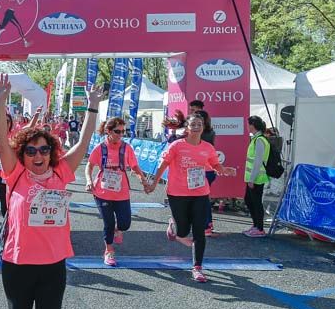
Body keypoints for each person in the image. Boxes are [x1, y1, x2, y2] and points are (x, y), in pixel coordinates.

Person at [0, 74, 105, 309]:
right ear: (21, 154)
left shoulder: (61, 172)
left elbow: (83, 142)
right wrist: (0, 99)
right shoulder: (15, 173)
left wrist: (93, 106)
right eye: (30, 150)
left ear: (50, 152)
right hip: (19, 262)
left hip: (54, 264)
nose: (37, 155)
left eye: (43, 150)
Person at [145, 113, 236, 283]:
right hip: (177, 193)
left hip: (200, 193)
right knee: (182, 231)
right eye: (193, 124)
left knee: (199, 231)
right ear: (187, 127)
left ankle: (197, 268)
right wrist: (154, 183)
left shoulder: (207, 147)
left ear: (203, 127)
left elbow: (214, 164)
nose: (196, 126)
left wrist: (224, 169)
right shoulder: (176, 146)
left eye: (199, 124)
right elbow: (163, 165)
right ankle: (173, 227)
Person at [85, 116, 148, 266]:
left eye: (123, 132)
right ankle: (109, 251)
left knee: (125, 223)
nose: (121, 135)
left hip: (122, 192)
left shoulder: (127, 148)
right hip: (102, 192)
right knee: (108, 223)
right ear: (108, 131)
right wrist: (88, 181)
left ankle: (119, 230)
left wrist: (143, 180)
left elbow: (134, 166)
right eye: (117, 131)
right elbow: (90, 165)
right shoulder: (100, 148)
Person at [243, 116, 270, 237]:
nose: (247, 126)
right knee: (249, 201)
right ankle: (256, 226)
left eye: (248, 124)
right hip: (253, 178)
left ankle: (259, 228)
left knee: (256, 203)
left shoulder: (259, 140)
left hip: (257, 178)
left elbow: (258, 162)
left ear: (253, 125)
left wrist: (252, 179)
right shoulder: (257, 139)